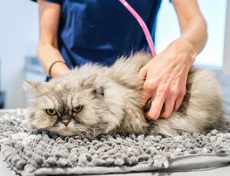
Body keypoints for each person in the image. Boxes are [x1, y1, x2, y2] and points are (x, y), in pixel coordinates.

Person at [34, 0, 207, 121]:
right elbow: (46, 44)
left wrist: (183, 49)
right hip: (69, 92)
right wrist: (72, 82)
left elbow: (196, 24)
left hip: (134, 97)